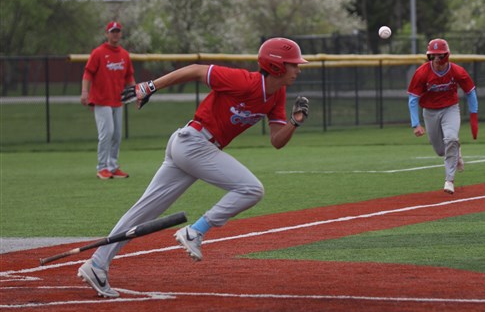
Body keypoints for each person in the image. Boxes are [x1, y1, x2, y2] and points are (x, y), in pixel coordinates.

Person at [77, 37, 310, 298]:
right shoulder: (246, 81)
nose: (298, 69)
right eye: (293, 64)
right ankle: (195, 231)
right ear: (277, 66)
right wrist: (150, 86)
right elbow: (197, 70)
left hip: (192, 147)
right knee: (251, 189)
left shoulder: (276, 94)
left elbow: (277, 141)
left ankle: (97, 264)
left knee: (144, 211)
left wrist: (294, 122)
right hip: (194, 143)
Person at [407, 38, 478, 194]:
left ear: (447, 55)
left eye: (440, 55)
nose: (437, 59)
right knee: (440, 150)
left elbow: (470, 92)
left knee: (451, 139)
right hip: (430, 112)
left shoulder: (457, 71)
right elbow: (413, 98)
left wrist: (474, 116)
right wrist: (416, 124)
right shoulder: (422, 73)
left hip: (450, 109)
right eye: (433, 56)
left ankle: (449, 180)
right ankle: (456, 151)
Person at [81, 21, 135, 180]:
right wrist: (84, 91)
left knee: (117, 135)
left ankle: (112, 166)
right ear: (107, 34)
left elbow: (129, 77)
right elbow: (88, 73)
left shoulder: (124, 55)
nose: (115, 34)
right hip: (101, 100)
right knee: (107, 133)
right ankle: (102, 167)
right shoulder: (98, 52)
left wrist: (138, 93)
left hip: (117, 101)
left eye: (117, 31)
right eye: (112, 31)